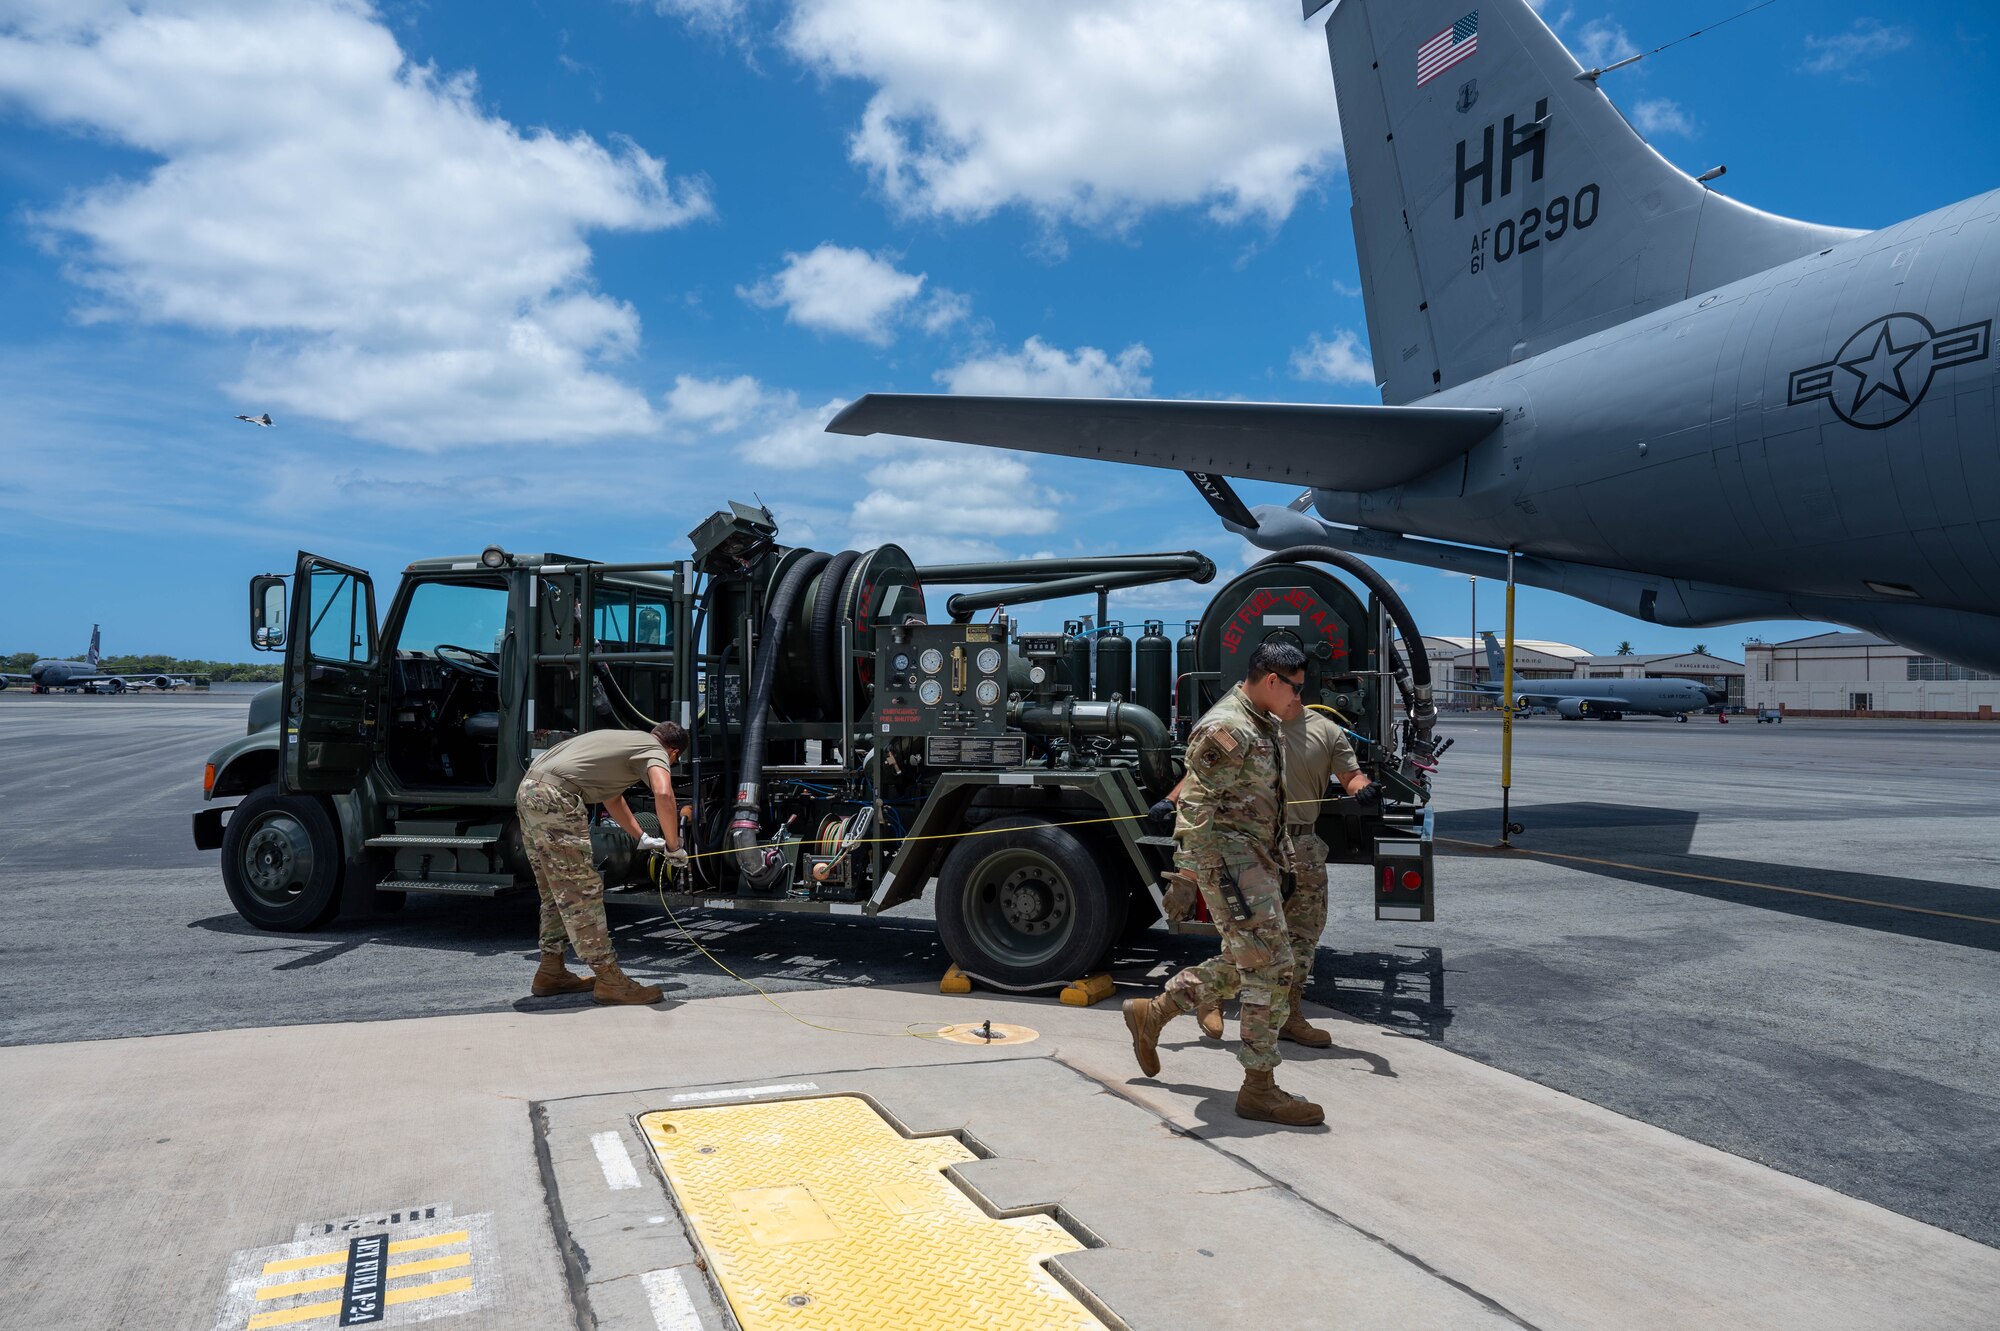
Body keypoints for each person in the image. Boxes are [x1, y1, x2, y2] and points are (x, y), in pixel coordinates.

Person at [1123, 641, 1324, 1126]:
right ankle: (1259, 1087)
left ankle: (1155, 1012)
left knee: (1246, 960)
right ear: (1272, 680)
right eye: (1296, 689)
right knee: (1272, 968)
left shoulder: (1258, 720)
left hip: (1254, 861)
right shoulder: (1227, 727)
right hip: (1231, 865)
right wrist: (1186, 879)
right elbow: (1194, 807)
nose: (1300, 700)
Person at [517, 721, 688, 1004]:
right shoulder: (654, 749)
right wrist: (673, 846)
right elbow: (663, 793)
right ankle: (609, 980)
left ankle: (551, 970)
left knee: (556, 892)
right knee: (581, 892)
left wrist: (642, 836)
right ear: (672, 751)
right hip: (556, 797)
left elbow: (612, 799)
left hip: (531, 790)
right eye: (674, 759)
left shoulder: (618, 741)